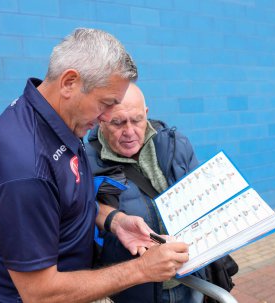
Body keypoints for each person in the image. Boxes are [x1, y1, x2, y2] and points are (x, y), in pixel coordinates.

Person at [0, 28, 190, 303]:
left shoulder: (57, 120)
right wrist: (142, 269)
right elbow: (41, 293)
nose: (106, 117)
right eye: (106, 104)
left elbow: (66, 203)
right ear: (69, 82)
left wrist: (115, 221)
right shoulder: (25, 168)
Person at [86, 83, 206, 303]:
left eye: (137, 120)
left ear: (147, 114)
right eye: (118, 123)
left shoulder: (175, 143)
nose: (130, 132)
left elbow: (201, 199)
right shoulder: (85, 162)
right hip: (134, 291)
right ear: (100, 120)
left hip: (191, 279)